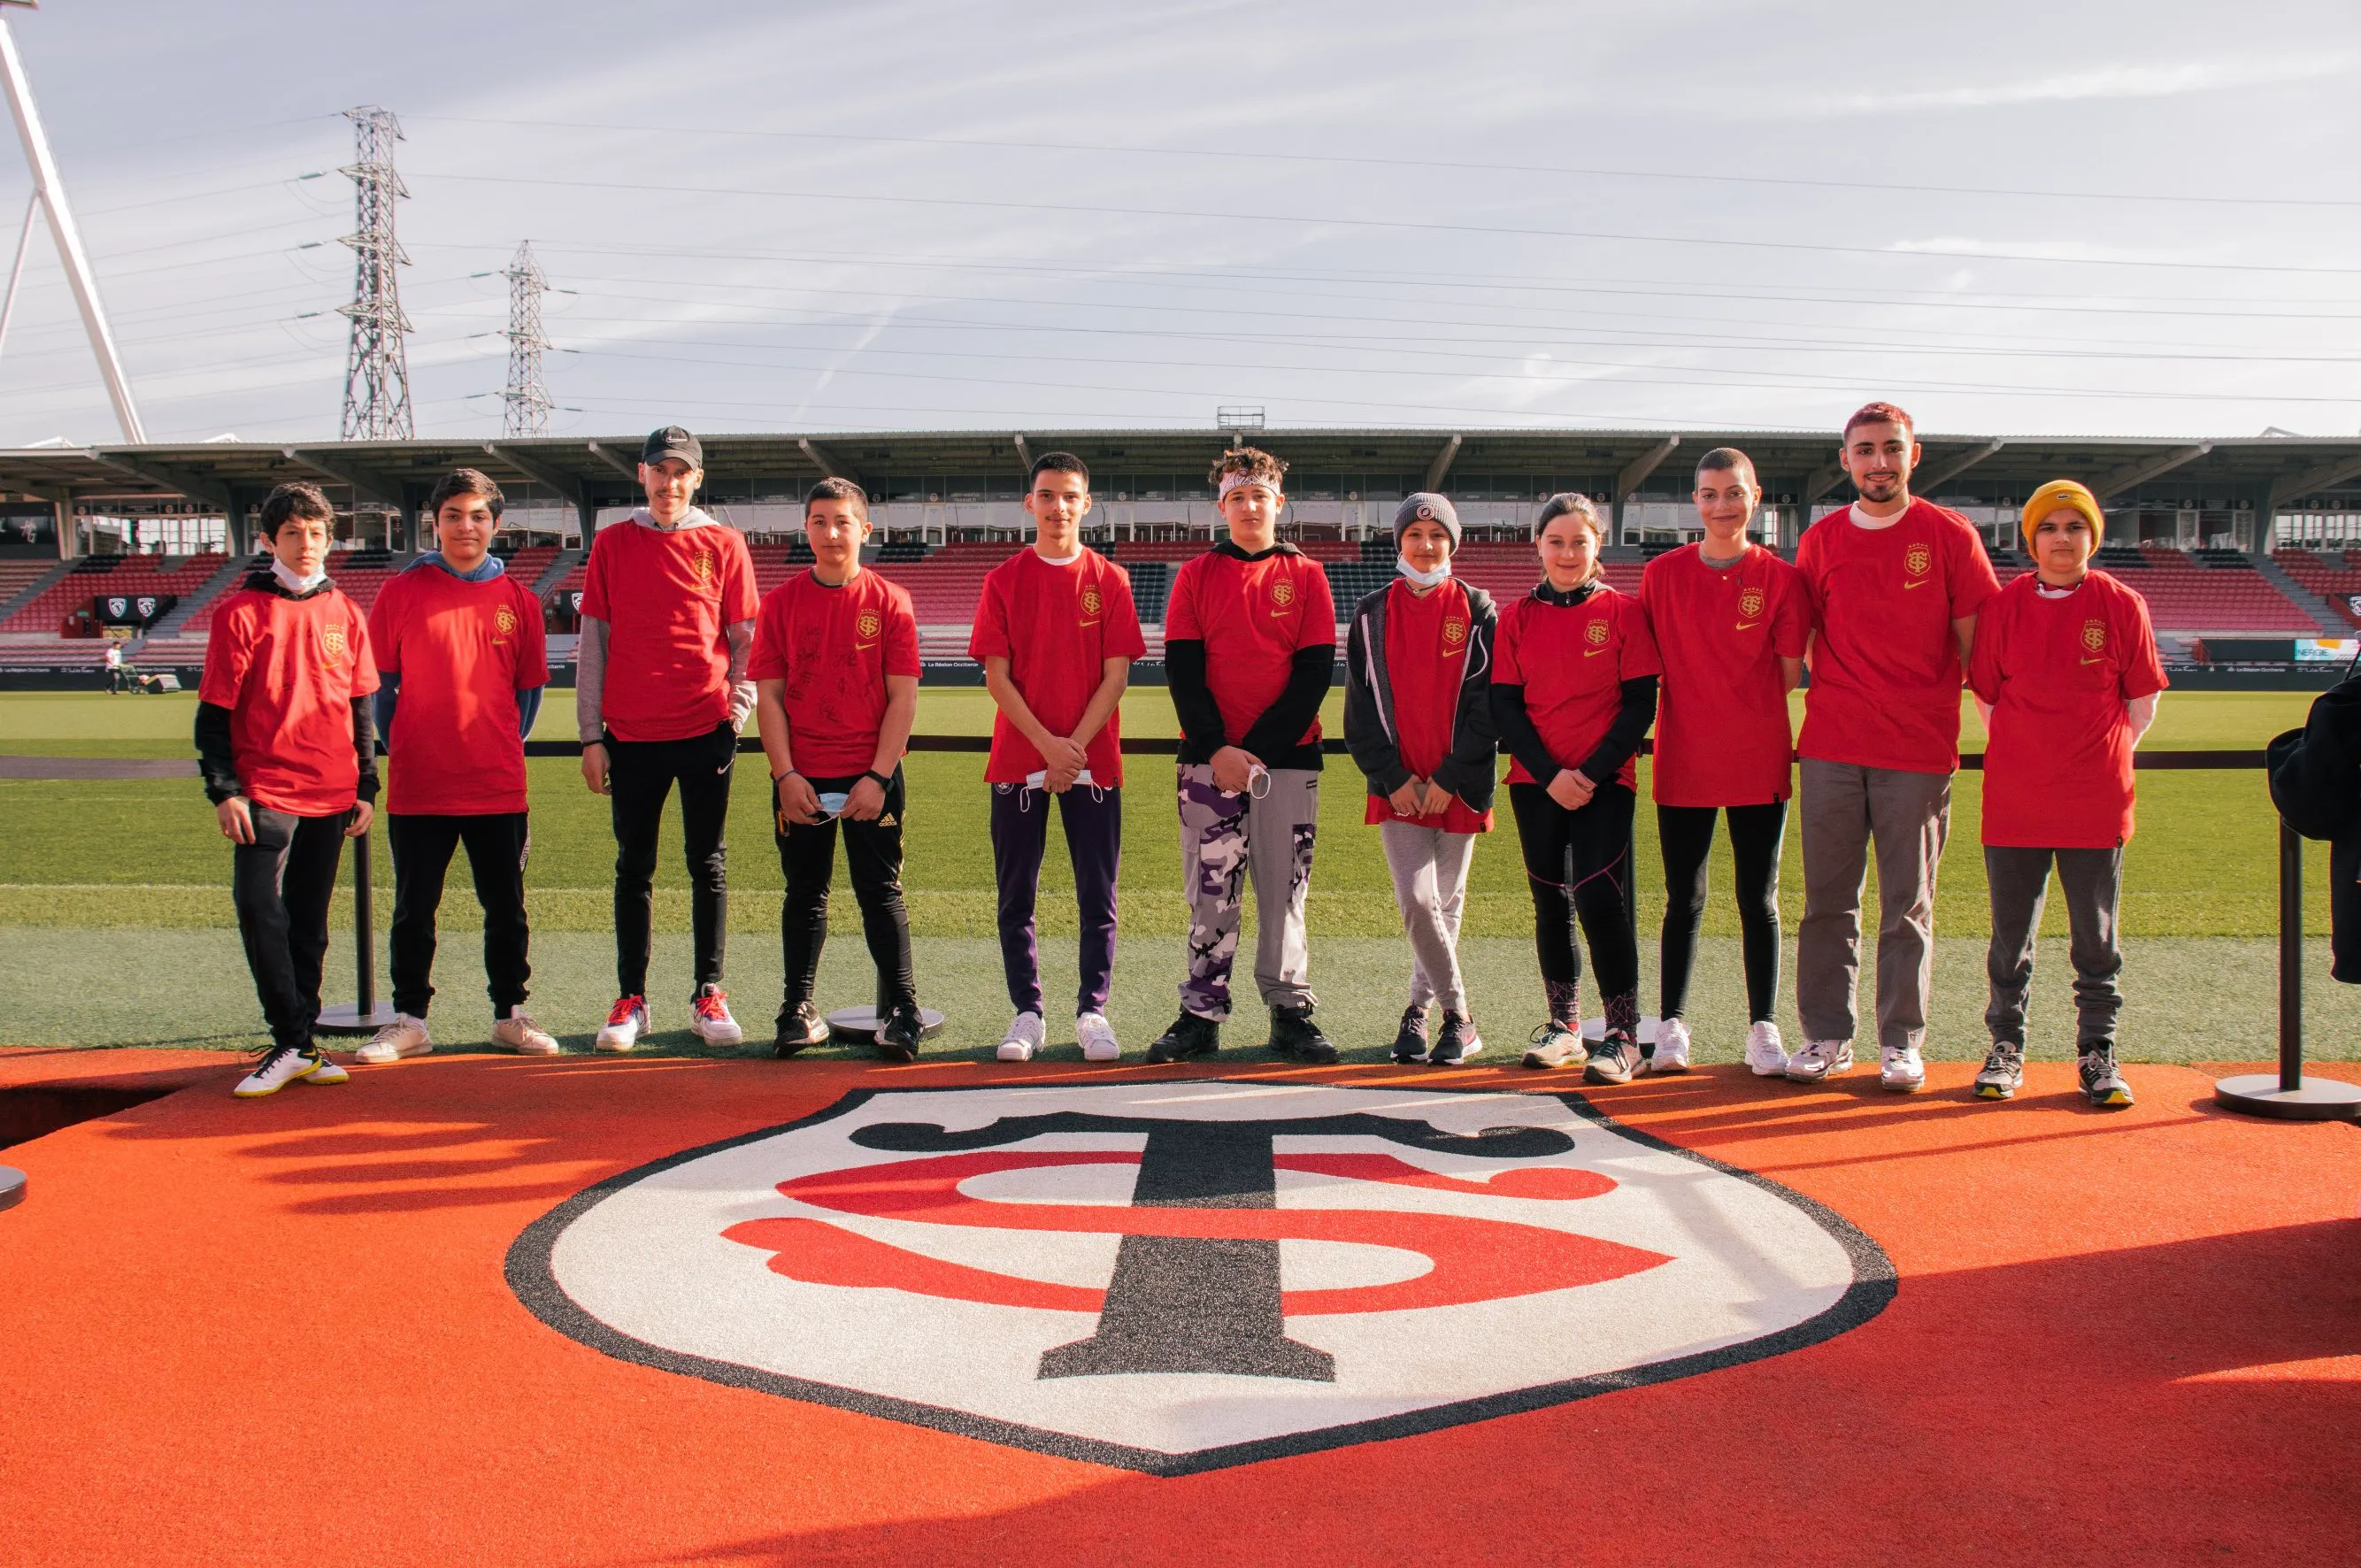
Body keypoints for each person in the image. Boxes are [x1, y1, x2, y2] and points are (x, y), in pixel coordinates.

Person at [1790, 402, 1999, 1090]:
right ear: (1845, 459)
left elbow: (1976, 645)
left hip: (1916, 748)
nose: (1879, 462)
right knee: (1828, 900)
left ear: (1914, 455)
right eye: (1865, 450)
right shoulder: (1821, 541)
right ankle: (1826, 1036)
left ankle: (1901, 1040)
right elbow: (1809, 641)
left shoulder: (1948, 535)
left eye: (1891, 448)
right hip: (1831, 746)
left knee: (1906, 902)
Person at [1967, 480, 2163, 1108]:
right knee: (2010, 941)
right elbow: (1989, 700)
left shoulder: (2122, 604)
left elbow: (2142, 704)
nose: (2061, 539)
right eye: (2048, 528)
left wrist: (2091, 757)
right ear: (2032, 539)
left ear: (2091, 537)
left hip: (2094, 801)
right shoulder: (2003, 609)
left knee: (2096, 941)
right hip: (2016, 800)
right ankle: (2006, 1049)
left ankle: (2098, 1054)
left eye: (2074, 527)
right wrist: (2035, 752)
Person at [359, 468, 558, 1064]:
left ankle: (510, 1016)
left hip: (497, 784)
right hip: (420, 785)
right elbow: (381, 691)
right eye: (453, 515)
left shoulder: (519, 601)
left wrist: (490, 742)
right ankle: (410, 1020)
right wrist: (416, 744)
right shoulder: (400, 592)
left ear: (495, 524)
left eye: (477, 515)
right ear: (435, 522)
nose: (465, 525)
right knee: (414, 909)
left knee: (506, 908)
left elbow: (527, 699)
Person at [1149, 446, 1340, 1065]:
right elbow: (1183, 672)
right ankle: (1200, 1014)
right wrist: (1217, 750)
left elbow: (1313, 674)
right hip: (1208, 766)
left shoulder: (1308, 576)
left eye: (1260, 495)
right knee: (1211, 894)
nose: (1249, 505)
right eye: (1237, 496)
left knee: (1285, 893)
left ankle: (1289, 1010)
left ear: (1278, 503)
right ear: (1222, 505)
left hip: (1288, 763)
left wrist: (1253, 754)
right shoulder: (1196, 575)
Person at [576, 427, 760, 1053]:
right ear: (642, 473)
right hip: (630, 735)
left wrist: (733, 718)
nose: (669, 483)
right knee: (635, 868)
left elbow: (745, 644)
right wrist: (589, 736)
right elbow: (593, 645)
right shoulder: (612, 543)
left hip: (703, 730)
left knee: (707, 864)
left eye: (681, 472)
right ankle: (632, 998)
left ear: (697, 479)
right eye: (660, 470)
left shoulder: (725, 543)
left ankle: (708, 992)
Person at [195, 482, 377, 1098]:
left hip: (332, 790)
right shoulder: (239, 612)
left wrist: (367, 784)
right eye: (293, 533)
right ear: (269, 540)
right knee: (257, 908)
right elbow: (214, 714)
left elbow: (360, 709)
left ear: (331, 539)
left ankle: (300, 1044)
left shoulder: (346, 614)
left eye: (317, 533)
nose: (307, 545)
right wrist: (223, 789)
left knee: (310, 922)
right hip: (265, 791)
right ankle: (293, 1039)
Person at [1639, 450, 1809, 1076]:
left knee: (1757, 897)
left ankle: (1763, 1028)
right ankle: (1673, 1026)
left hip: (1758, 755)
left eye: (1733, 492)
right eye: (1710, 494)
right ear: (1696, 501)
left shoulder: (1781, 578)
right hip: (1684, 756)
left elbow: (1789, 673)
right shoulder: (1661, 575)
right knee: (1683, 898)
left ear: (1755, 497)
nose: (1722, 505)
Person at [971, 452, 1144, 1064]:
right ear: (1030, 503)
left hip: (1095, 766)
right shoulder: (1004, 580)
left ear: (1086, 504)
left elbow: (1116, 675)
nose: (1058, 507)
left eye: (1070, 496)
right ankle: (1028, 1013)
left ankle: (1093, 1011)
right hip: (1019, 760)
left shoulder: (1109, 580)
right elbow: (997, 677)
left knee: (1098, 894)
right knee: (1016, 894)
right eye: (1047, 496)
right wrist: (1047, 746)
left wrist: (1071, 750)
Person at [751, 477, 927, 1062]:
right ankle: (798, 1006)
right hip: (802, 776)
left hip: (870, 776)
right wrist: (785, 775)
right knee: (805, 892)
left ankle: (903, 1008)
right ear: (806, 528)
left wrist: (877, 777)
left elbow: (902, 698)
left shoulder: (891, 602)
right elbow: (770, 699)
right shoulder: (778, 605)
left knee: (880, 892)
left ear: (864, 530)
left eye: (843, 521)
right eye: (820, 521)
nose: (831, 533)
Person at [1494, 494, 1659, 1080]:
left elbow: (1641, 705)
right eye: (1556, 541)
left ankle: (1623, 1035)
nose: (1567, 553)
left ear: (1597, 546)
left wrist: (1587, 775)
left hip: (1604, 783)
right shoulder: (1515, 619)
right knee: (1549, 903)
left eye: (1579, 541)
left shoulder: (1623, 612)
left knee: (1596, 897)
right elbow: (1507, 711)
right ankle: (1565, 1027)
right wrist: (1549, 775)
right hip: (1535, 783)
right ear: (1537, 545)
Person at [1343, 492, 1499, 1065]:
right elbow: (1358, 716)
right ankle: (1461, 1016)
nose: (1426, 546)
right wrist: (1394, 779)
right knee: (1417, 901)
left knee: (1445, 907)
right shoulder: (1370, 614)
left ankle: (1417, 1012)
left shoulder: (1479, 609)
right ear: (1399, 542)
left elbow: (1489, 710)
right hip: (1398, 790)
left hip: (1461, 786)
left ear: (1452, 544)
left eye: (1437, 536)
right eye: (1415, 535)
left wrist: (1450, 778)